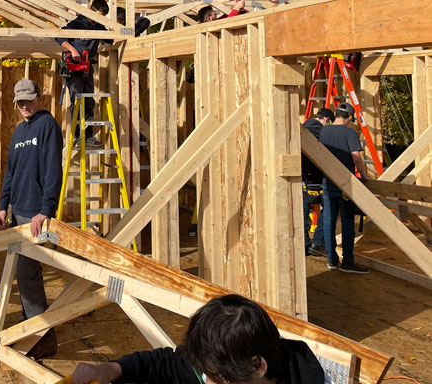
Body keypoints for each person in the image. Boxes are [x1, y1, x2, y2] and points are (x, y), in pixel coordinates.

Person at [72, 293, 327, 384]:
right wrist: (110, 369)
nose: (207, 381)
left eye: (219, 378)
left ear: (258, 366)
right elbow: (166, 364)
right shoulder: (217, 364)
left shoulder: (308, 377)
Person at [0, 79, 63, 360]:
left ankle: (43, 338)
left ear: (38, 98)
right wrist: (3, 206)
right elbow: (11, 172)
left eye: (29, 100)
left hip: (36, 212)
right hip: (18, 212)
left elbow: (52, 170)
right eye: (20, 102)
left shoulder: (47, 126)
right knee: (23, 276)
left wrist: (45, 210)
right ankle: (31, 327)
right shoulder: (19, 131)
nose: (24, 106)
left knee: (28, 274)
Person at [318, 103, 370, 274]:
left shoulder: (324, 131)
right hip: (345, 184)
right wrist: (364, 176)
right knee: (347, 222)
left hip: (327, 181)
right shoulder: (349, 132)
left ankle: (332, 260)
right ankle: (348, 262)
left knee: (328, 221)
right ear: (349, 117)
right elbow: (356, 158)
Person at [56, 0, 111, 147]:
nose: (100, 18)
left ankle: (87, 137)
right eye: (99, 15)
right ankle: (76, 136)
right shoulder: (77, 23)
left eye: (103, 17)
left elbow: (111, 39)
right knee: (77, 99)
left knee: (90, 101)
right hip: (74, 69)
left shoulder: (98, 27)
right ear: (92, 10)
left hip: (87, 67)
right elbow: (59, 36)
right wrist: (73, 49)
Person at [303, 108, 334, 257]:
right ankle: (319, 242)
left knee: (302, 212)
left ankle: (303, 245)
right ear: (326, 120)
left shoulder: (302, 128)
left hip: (301, 177)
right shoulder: (319, 131)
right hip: (317, 177)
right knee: (328, 208)